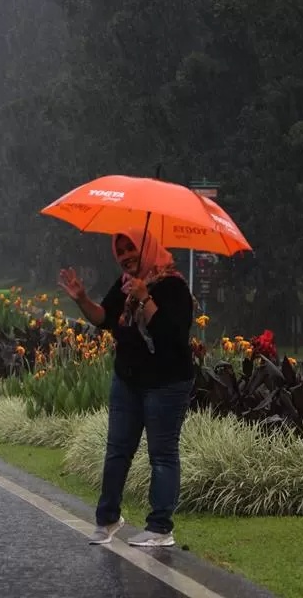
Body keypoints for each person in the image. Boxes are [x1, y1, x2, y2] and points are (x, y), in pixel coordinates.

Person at [58, 226, 195, 548]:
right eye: (120, 252)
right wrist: (81, 299)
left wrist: (145, 297)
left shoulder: (173, 286)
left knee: (162, 455)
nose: (125, 257)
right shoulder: (124, 286)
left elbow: (170, 336)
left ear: (146, 248)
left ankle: (160, 528)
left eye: (131, 249)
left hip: (167, 382)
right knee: (117, 450)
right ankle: (107, 519)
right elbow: (104, 318)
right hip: (128, 379)